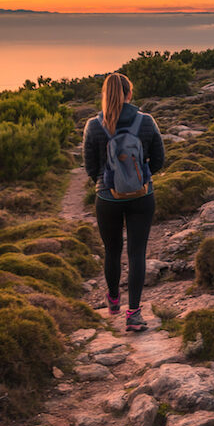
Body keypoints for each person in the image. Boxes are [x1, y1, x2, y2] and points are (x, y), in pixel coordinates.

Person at [83, 72, 164, 331]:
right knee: (137, 252)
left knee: (112, 251)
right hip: (142, 196)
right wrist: (140, 175)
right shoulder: (147, 122)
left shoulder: (94, 125)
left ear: (105, 96)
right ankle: (134, 314)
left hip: (107, 196)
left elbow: (90, 167)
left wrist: (107, 181)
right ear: (130, 93)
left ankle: (114, 301)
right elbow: (159, 160)